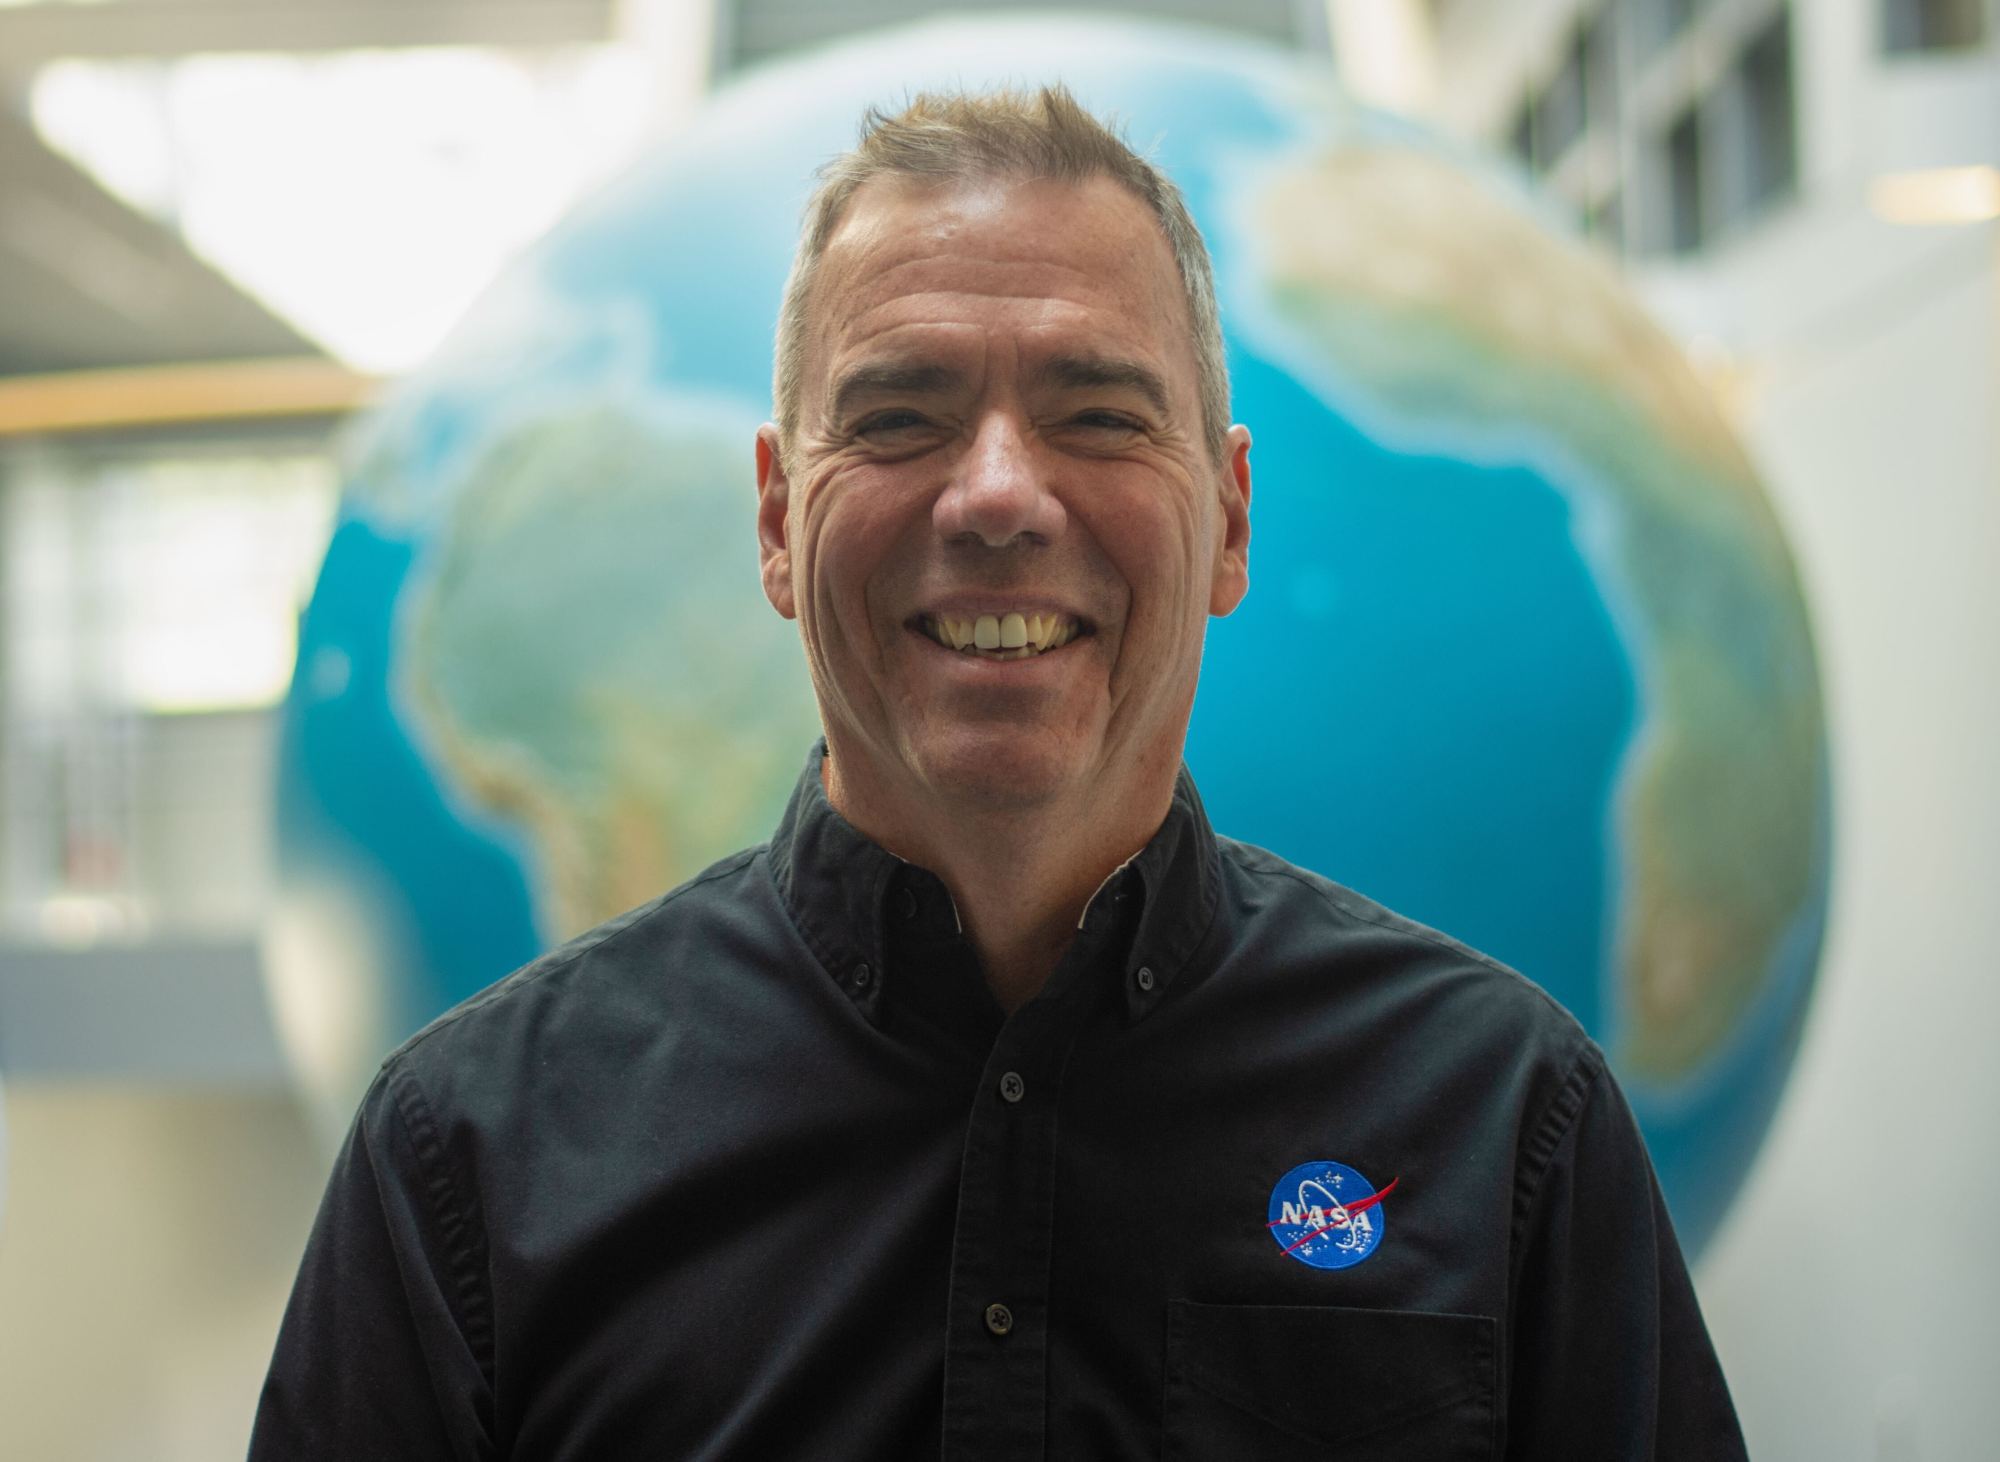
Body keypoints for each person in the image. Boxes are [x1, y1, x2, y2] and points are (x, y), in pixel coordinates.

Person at [251, 86, 1747, 1460]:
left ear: (1227, 519)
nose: (997, 494)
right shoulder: (467, 1165)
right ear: (778, 520)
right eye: (899, 416)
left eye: (1097, 413)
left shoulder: (1506, 1127)